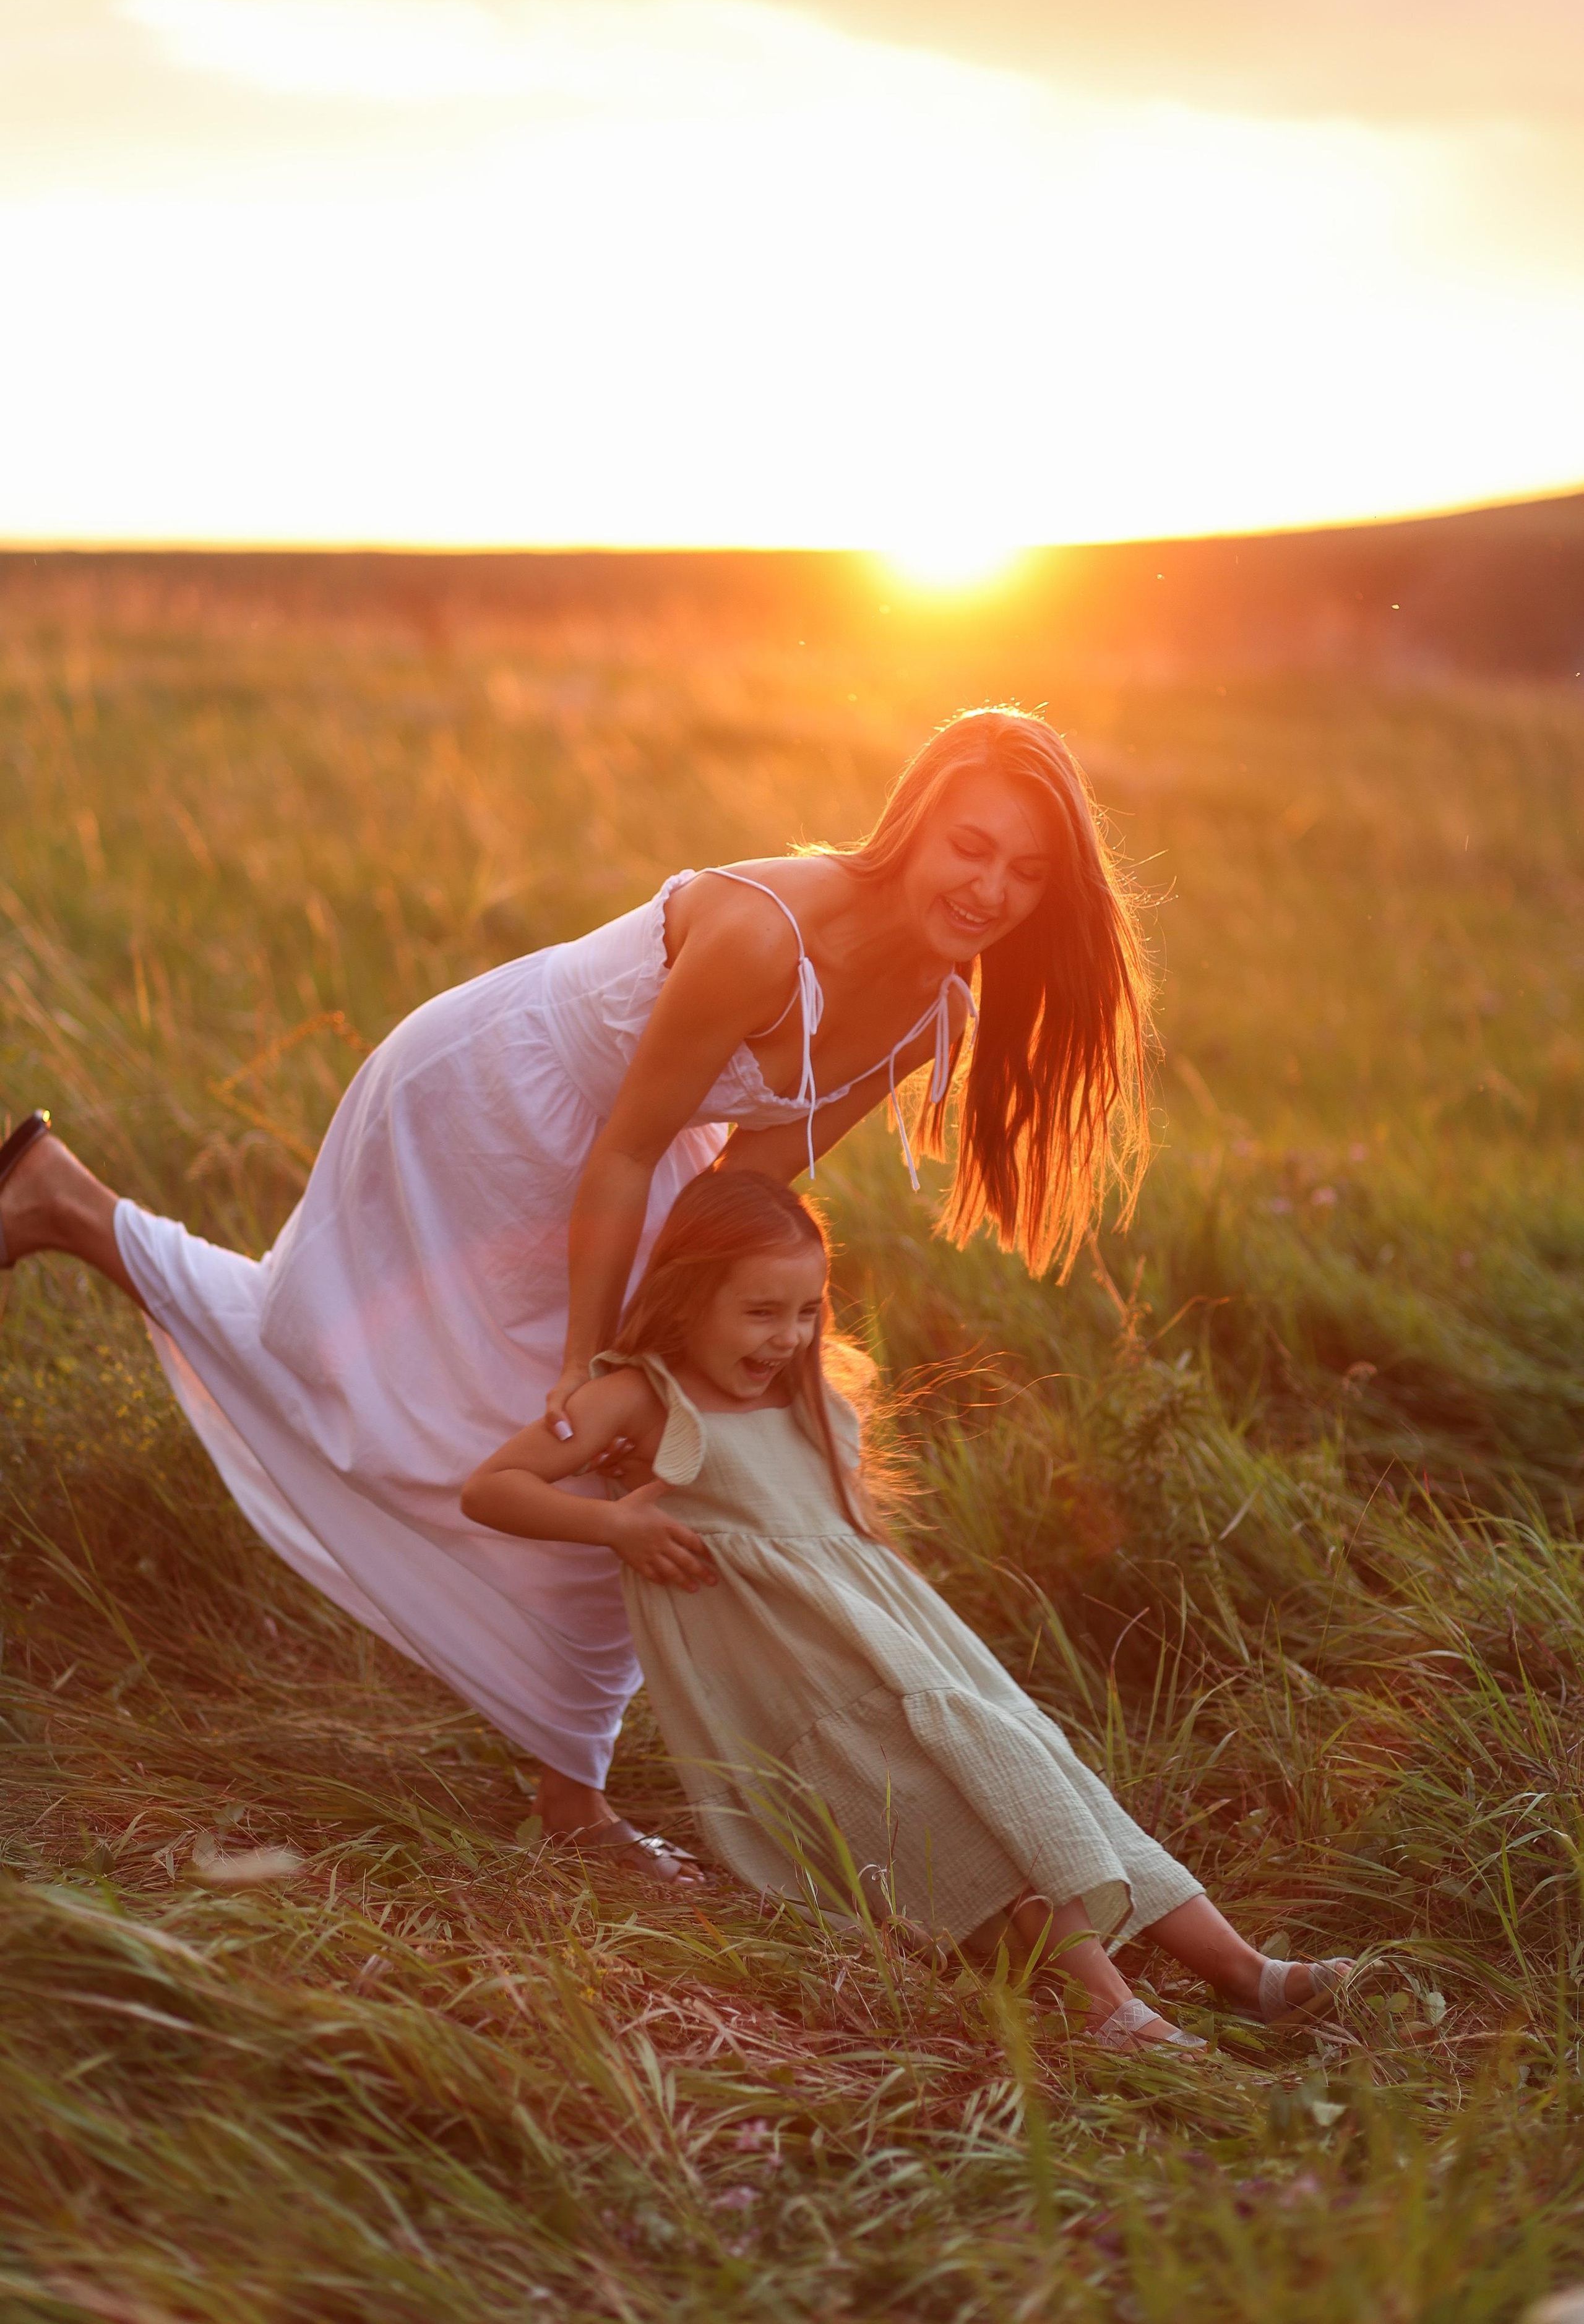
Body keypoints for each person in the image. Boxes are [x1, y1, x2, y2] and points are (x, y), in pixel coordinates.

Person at [0, 709, 1149, 1882]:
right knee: (381, 1382)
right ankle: (79, 1211)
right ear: (912, 824)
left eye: (1027, 871)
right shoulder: (765, 938)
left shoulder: (934, 1007)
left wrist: (667, 1366)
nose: (990, 889)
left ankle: (572, 1797)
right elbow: (623, 1150)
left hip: (639, 1165)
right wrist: (592, 1360)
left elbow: (746, 1177)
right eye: (971, 846)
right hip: (495, 1105)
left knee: (636, 1448)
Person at [461, 1169, 1354, 2047]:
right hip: (795, 1681)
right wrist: (613, 1525)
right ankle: (1107, 2009)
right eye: (760, 1312)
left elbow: (838, 1536)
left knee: (1040, 1782)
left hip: (902, 1645)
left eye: (806, 1311)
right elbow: (493, 1489)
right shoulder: (643, 1395)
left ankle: (1248, 1975)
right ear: (687, 1297)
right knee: (943, 1817)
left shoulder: (808, 1394)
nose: (787, 1336)